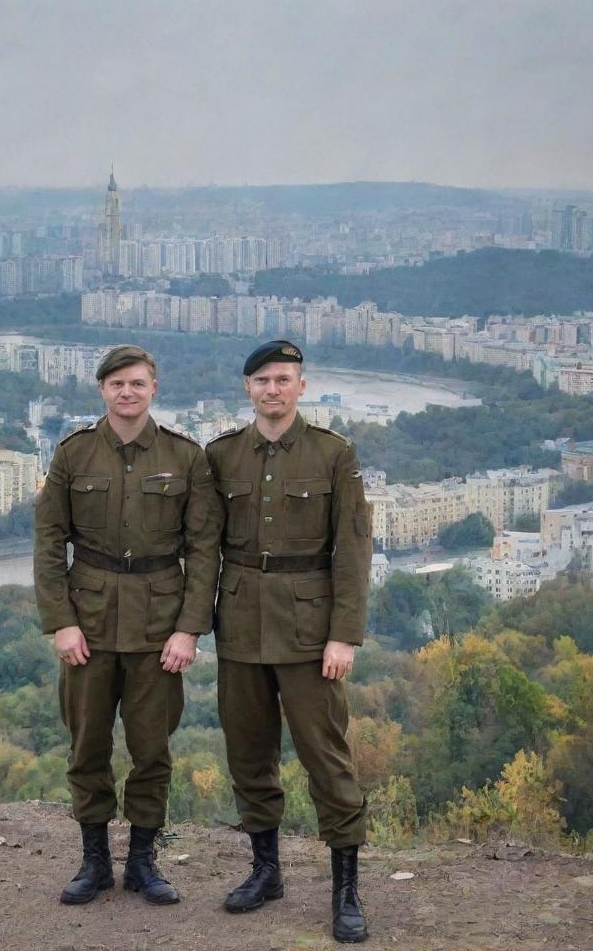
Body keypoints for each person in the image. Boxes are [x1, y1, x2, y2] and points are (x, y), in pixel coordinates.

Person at [34, 344, 222, 907]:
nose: (127, 393)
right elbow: (49, 545)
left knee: (151, 750)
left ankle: (142, 861)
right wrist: (60, 623)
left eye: (137, 383)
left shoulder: (185, 457)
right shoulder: (73, 454)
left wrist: (189, 629)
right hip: (87, 625)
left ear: (154, 388)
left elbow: (204, 548)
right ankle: (94, 861)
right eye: (117, 384)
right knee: (87, 746)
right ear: (102, 390)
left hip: (157, 627)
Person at [205, 339, 373, 944]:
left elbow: (352, 552)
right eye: (262, 381)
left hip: (309, 630)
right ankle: (266, 870)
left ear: (302, 386)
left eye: (283, 379)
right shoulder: (221, 455)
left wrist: (344, 636)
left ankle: (346, 888)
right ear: (247, 389)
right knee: (249, 754)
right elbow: (205, 548)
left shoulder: (333, 454)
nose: (272, 389)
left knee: (326, 759)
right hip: (241, 624)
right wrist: (195, 623)